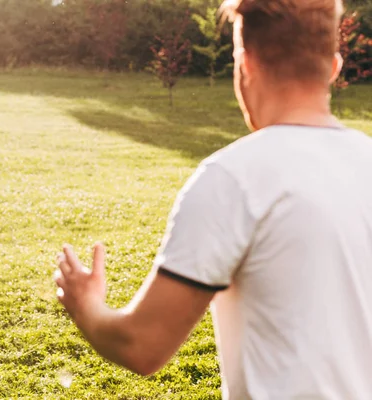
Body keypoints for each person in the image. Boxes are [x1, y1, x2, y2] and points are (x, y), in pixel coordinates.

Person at [54, 0, 372, 398]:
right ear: (334, 67)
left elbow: (142, 345)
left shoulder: (233, 178)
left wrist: (87, 306)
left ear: (245, 64)